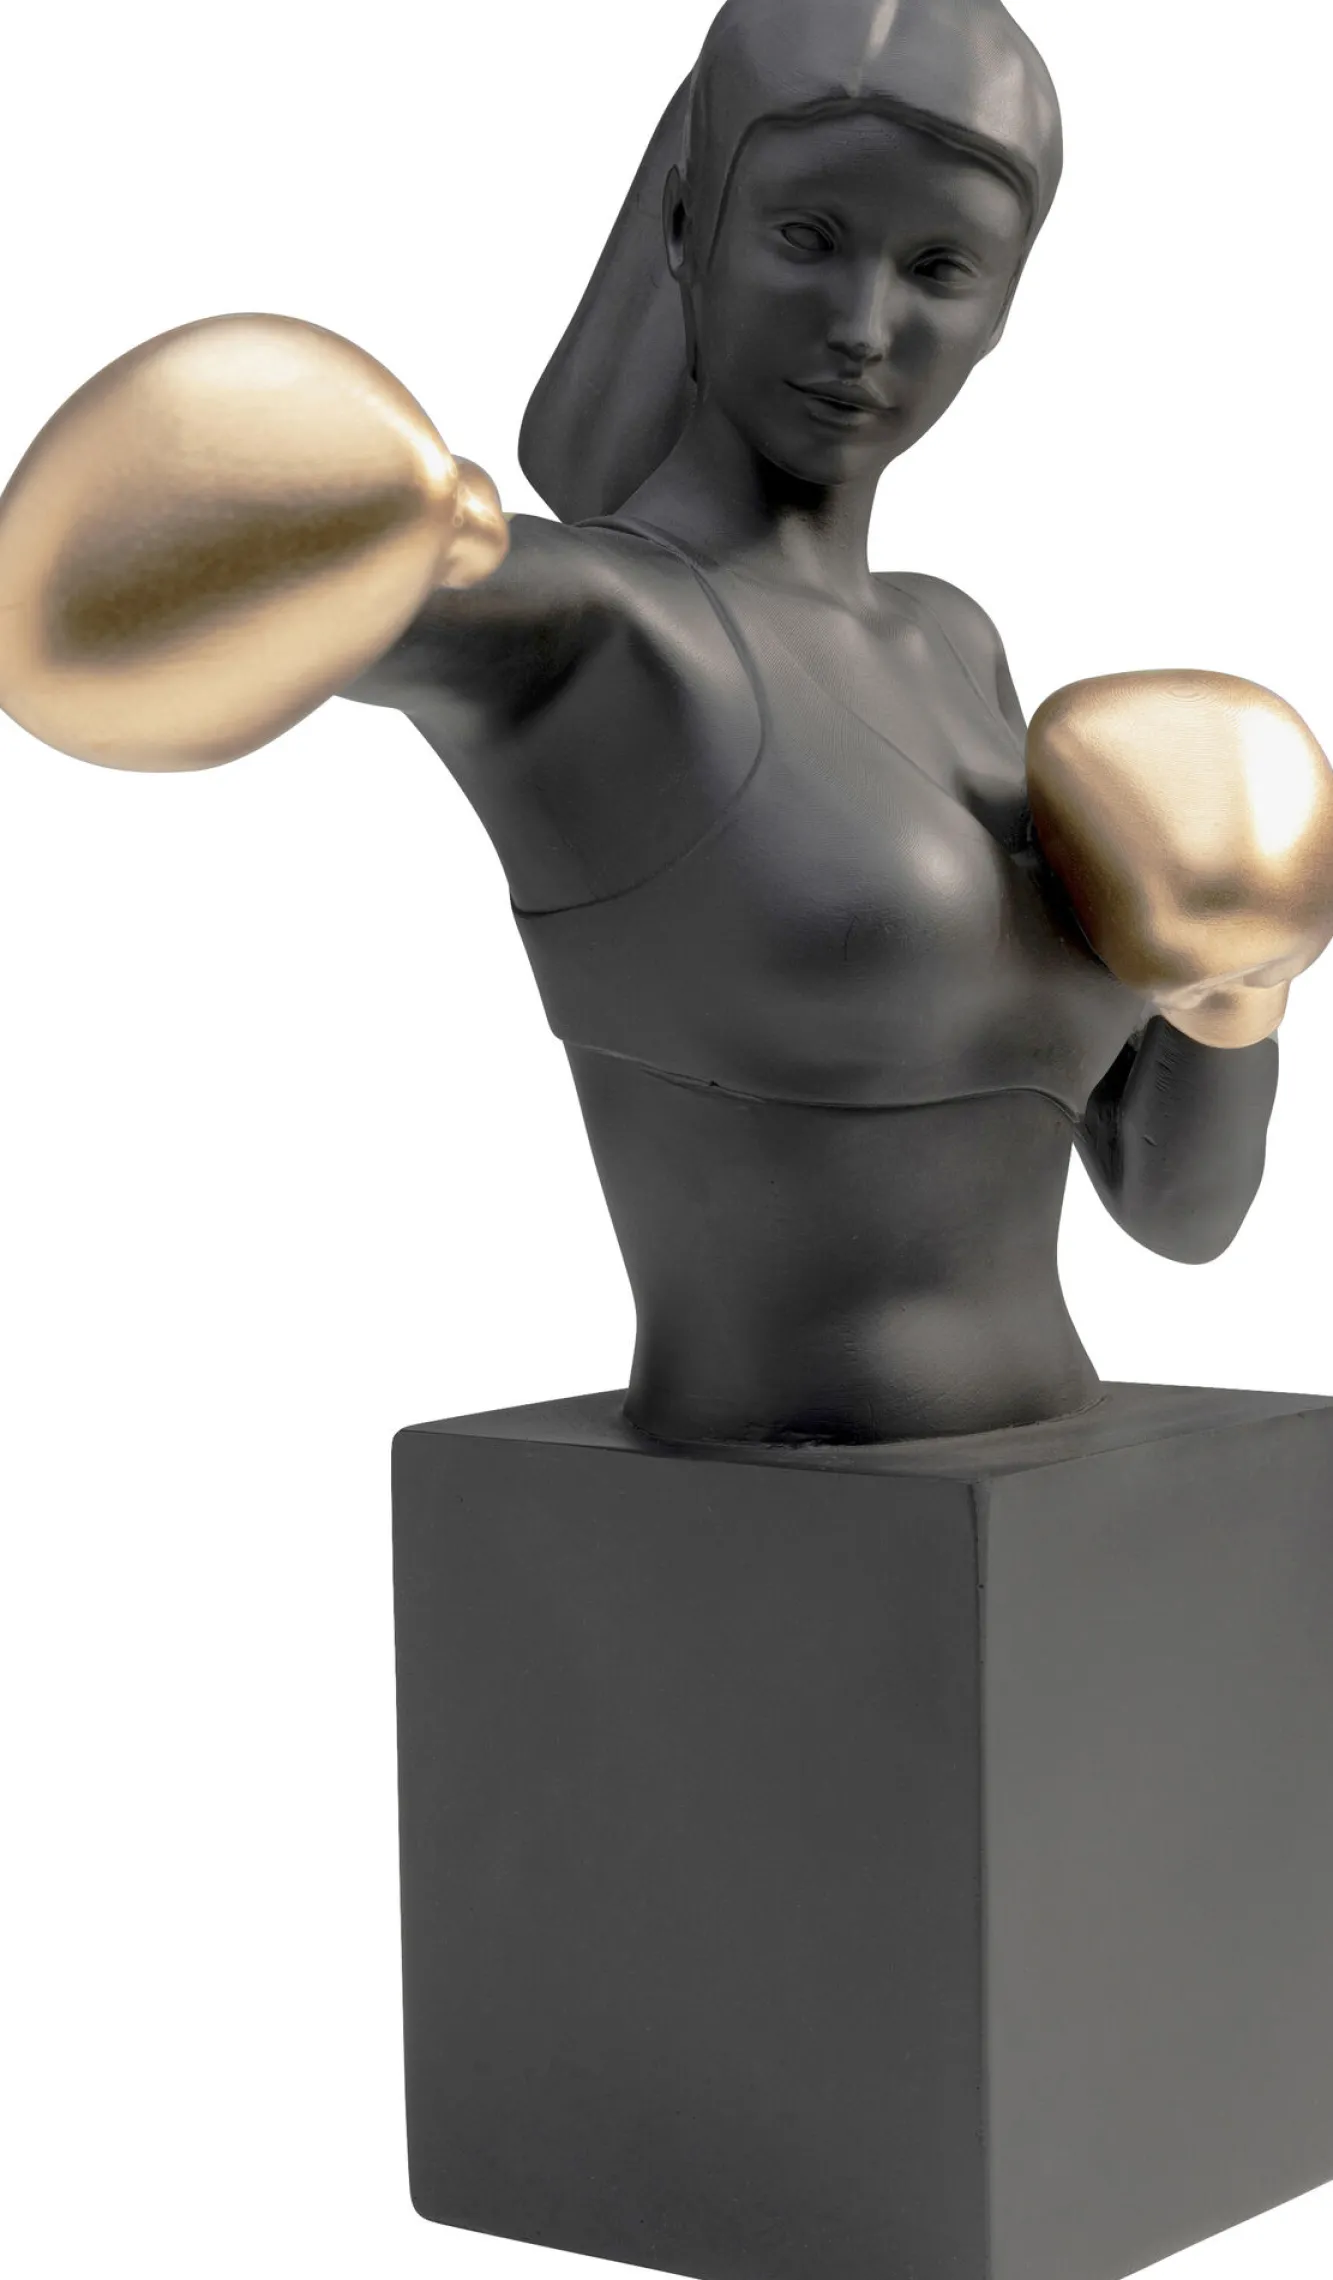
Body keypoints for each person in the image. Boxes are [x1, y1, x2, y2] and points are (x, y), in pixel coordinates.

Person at [0, 0, 1326, 1444]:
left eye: (941, 266)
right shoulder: (599, 635)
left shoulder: (959, 645)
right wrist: (365, 521)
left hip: (1065, 1484)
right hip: (767, 1502)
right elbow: (90, 621)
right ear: (689, 224)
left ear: (1006, 305)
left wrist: (1236, 986)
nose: (864, 327)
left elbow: (1183, 1216)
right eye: (807, 236)